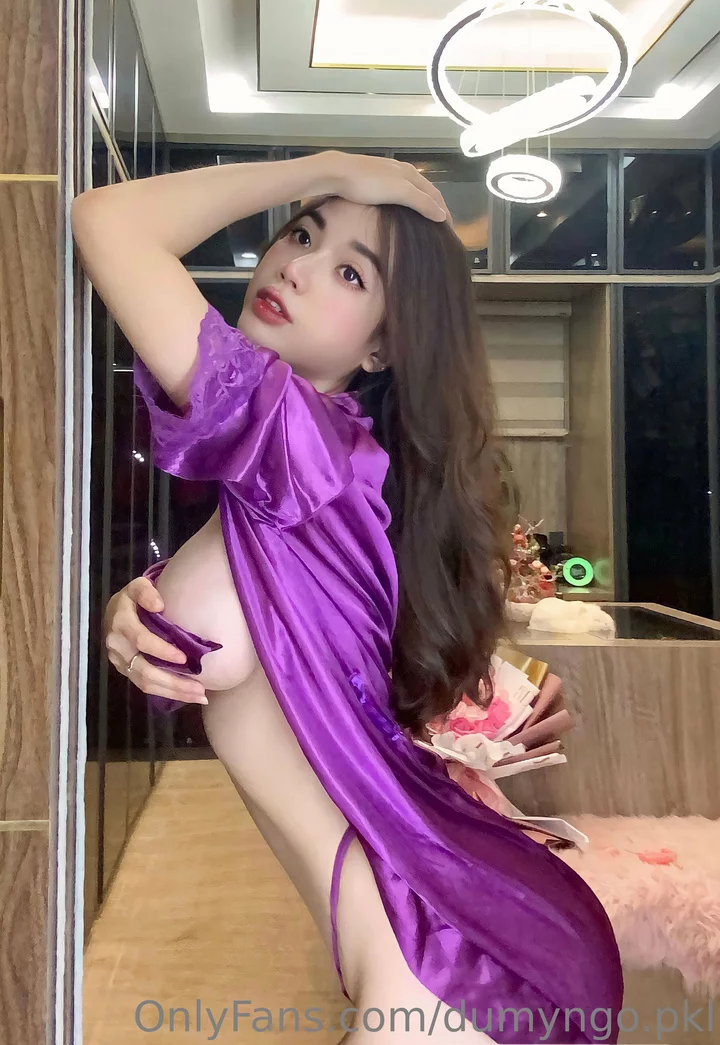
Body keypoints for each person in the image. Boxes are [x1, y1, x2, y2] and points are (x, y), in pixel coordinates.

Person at [74, 151, 623, 1045]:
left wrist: (329, 166)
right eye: (301, 233)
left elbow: (108, 220)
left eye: (350, 272)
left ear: (382, 347)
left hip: (436, 969)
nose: (294, 267)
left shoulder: (286, 431)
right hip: (449, 947)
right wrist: (133, 609)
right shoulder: (342, 463)